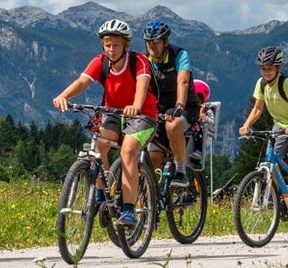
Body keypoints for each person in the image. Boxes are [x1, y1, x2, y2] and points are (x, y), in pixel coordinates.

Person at [52, 18, 159, 228]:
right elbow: (83, 81)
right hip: (112, 113)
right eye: (107, 44)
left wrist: (136, 106)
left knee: (128, 151)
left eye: (116, 45)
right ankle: (101, 194)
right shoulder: (100, 62)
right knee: (100, 144)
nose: (111, 49)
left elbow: (142, 86)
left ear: (125, 45)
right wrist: (63, 96)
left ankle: (129, 210)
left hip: (143, 115)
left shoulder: (139, 61)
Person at [237, 45, 288, 219]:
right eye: (262, 68)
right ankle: (283, 198)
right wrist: (246, 126)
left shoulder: (287, 83)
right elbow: (258, 109)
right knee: (271, 161)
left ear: (278, 68)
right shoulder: (261, 84)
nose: (265, 72)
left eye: (269, 68)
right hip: (279, 125)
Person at [141, 19, 204, 176]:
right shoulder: (145, 60)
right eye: (149, 42)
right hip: (159, 110)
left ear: (165, 42)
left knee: (173, 126)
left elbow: (182, 81)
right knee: (154, 160)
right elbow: (140, 86)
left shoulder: (179, 55)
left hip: (186, 107)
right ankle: (152, 197)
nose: (152, 46)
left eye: (156, 41)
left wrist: (179, 106)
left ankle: (180, 171)